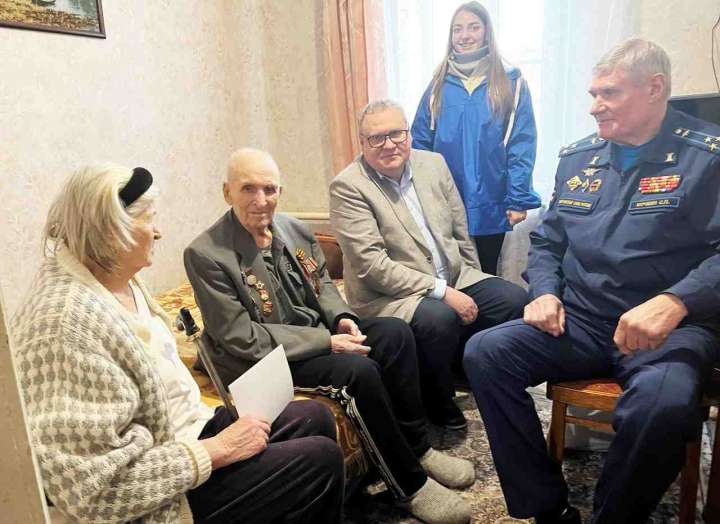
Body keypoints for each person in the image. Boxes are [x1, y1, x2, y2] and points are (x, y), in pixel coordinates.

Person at [463, 38, 720, 524]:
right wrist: (544, 293)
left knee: (663, 404)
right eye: (593, 94)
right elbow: (548, 242)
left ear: (655, 89)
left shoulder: (706, 157)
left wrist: (676, 300)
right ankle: (547, 508)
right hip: (581, 320)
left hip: (667, 331)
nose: (594, 106)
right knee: (485, 352)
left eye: (610, 93)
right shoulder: (579, 158)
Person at [11, 164, 345, 524]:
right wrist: (218, 449)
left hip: (183, 435)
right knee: (319, 459)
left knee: (313, 416)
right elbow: (93, 490)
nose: (158, 232)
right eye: (149, 221)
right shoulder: (66, 324)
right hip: (162, 490)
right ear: (112, 231)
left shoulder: (117, 277)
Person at [184, 148, 474, 524]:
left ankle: (417, 448)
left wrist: (341, 320)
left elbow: (322, 285)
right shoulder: (206, 254)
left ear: (280, 191)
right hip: (265, 360)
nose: (261, 200)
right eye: (248, 189)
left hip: (316, 336)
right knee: (357, 372)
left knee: (394, 334)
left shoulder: (294, 230)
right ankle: (410, 485)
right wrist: (327, 342)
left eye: (269, 189)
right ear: (227, 192)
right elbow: (240, 337)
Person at [329, 100, 528, 430]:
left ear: (408, 134)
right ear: (362, 143)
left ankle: (467, 370)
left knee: (514, 300)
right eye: (377, 138)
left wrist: (471, 276)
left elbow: (460, 230)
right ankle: (437, 399)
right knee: (439, 318)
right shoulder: (349, 186)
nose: (389, 144)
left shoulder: (433, 164)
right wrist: (443, 292)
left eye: (397, 133)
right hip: (390, 295)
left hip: (454, 275)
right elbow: (372, 266)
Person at [411, 1, 541, 276]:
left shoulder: (511, 82)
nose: (464, 35)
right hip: (446, 200)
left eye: (473, 27)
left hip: (491, 200)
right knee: (452, 275)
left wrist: (518, 199)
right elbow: (420, 145)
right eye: (457, 29)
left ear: (486, 31)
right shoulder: (437, 85)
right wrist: (421, 198)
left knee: (487, 275)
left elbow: (521, 144)